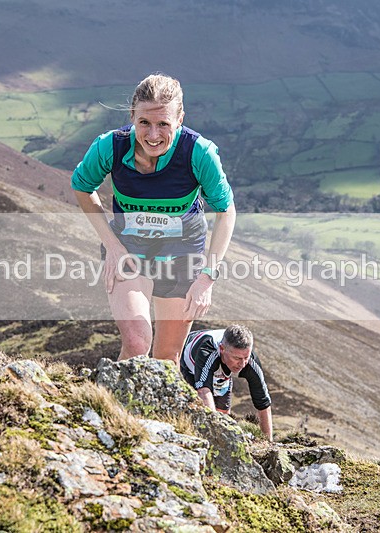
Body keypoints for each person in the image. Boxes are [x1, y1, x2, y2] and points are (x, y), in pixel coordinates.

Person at [71, 74, 236, 365]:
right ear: (132, 115)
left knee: (166, 358)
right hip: (129, 248)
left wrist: (207, 277)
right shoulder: (110, 146)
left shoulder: (199, 153)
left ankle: (147, 412)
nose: (153, 135)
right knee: (136, 343)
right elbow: (83, 188)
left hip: (182, 254)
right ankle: (109, 409)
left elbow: (226, 211)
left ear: (180, 119)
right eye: (144, 122)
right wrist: (112, 246)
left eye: (164, 124)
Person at [180, 324, 273, 441]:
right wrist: (214, 437)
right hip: (188, 364)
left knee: (224, 415)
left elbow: (264, 404)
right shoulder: (207, 351)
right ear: (222, 349)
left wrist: (268, 444)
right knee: (194, 409)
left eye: (246, 357)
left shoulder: (250, 361)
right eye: (238, 358)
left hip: (220, 367)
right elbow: (204, 391)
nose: (243, 364)